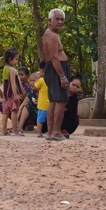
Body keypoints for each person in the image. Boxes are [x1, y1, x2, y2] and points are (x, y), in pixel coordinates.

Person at [42, 8, 70, 141]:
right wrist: (62, 76)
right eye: (57, 19)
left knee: (54, 101)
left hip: (52, 69)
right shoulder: (52, 36)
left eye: (62, 19)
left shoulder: (50, 34)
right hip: (55, 69)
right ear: (50, 20)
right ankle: (56, 132)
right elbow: (54, 57)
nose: (59, 22)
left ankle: (50, 132)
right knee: (60, 100)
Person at [1, 48, 24, 136]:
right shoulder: (12, 70)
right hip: (12, 94)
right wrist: (15, 95)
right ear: (10, 59)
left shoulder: (5, 68)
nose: (17, 61)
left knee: (5, 112)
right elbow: (13, 82)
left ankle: (4, 130)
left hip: (6, 95)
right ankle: (15, 130)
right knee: (14, 110)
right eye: (16, 59)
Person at [17, 67, 38, 131]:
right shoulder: (31, 94)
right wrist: (15, 125)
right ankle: (20, 127)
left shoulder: (47, 94)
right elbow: (21, 107)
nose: (31, 83)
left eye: (33, 81)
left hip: (45, 120)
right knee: (27, 105)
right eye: (30, 81)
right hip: (36, 119)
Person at [33, 61, 49, 138]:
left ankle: (39, 133)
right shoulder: (51, 80)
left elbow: (35, 87)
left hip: (42, 104)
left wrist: (37, 79)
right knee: (44, 119)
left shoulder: (41, 80)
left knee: (40, 119)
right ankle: (42, 132)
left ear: (42, 71)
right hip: (48, 104)